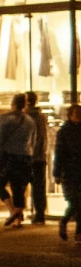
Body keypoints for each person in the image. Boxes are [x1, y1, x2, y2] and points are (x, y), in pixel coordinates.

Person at [0, 95, 36, 226]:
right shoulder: (30, 121)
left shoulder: (4, 120)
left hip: (7, 158)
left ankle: (13, 210)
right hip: (24, 158)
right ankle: (17, 220)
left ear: (13, 104)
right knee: (18, 188)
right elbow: (33, 141)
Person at [55, 103, 81, 242]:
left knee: (79, 203)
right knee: (75, 202)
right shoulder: (64, 131)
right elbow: (59, 153)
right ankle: (64, 221)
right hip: (70, 171)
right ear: (70, 115)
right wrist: (57, 173)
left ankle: (78, 232)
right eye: (76, 114)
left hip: (76, 170)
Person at [29, 92, 53, 226]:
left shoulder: (26, 117)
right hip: (39, 157)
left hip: (28, 156)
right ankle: (40, 214)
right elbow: (43, 138)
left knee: (20, 186)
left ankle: (20, 214)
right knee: (39, 186)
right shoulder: (41, 117)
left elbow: (39, 138)